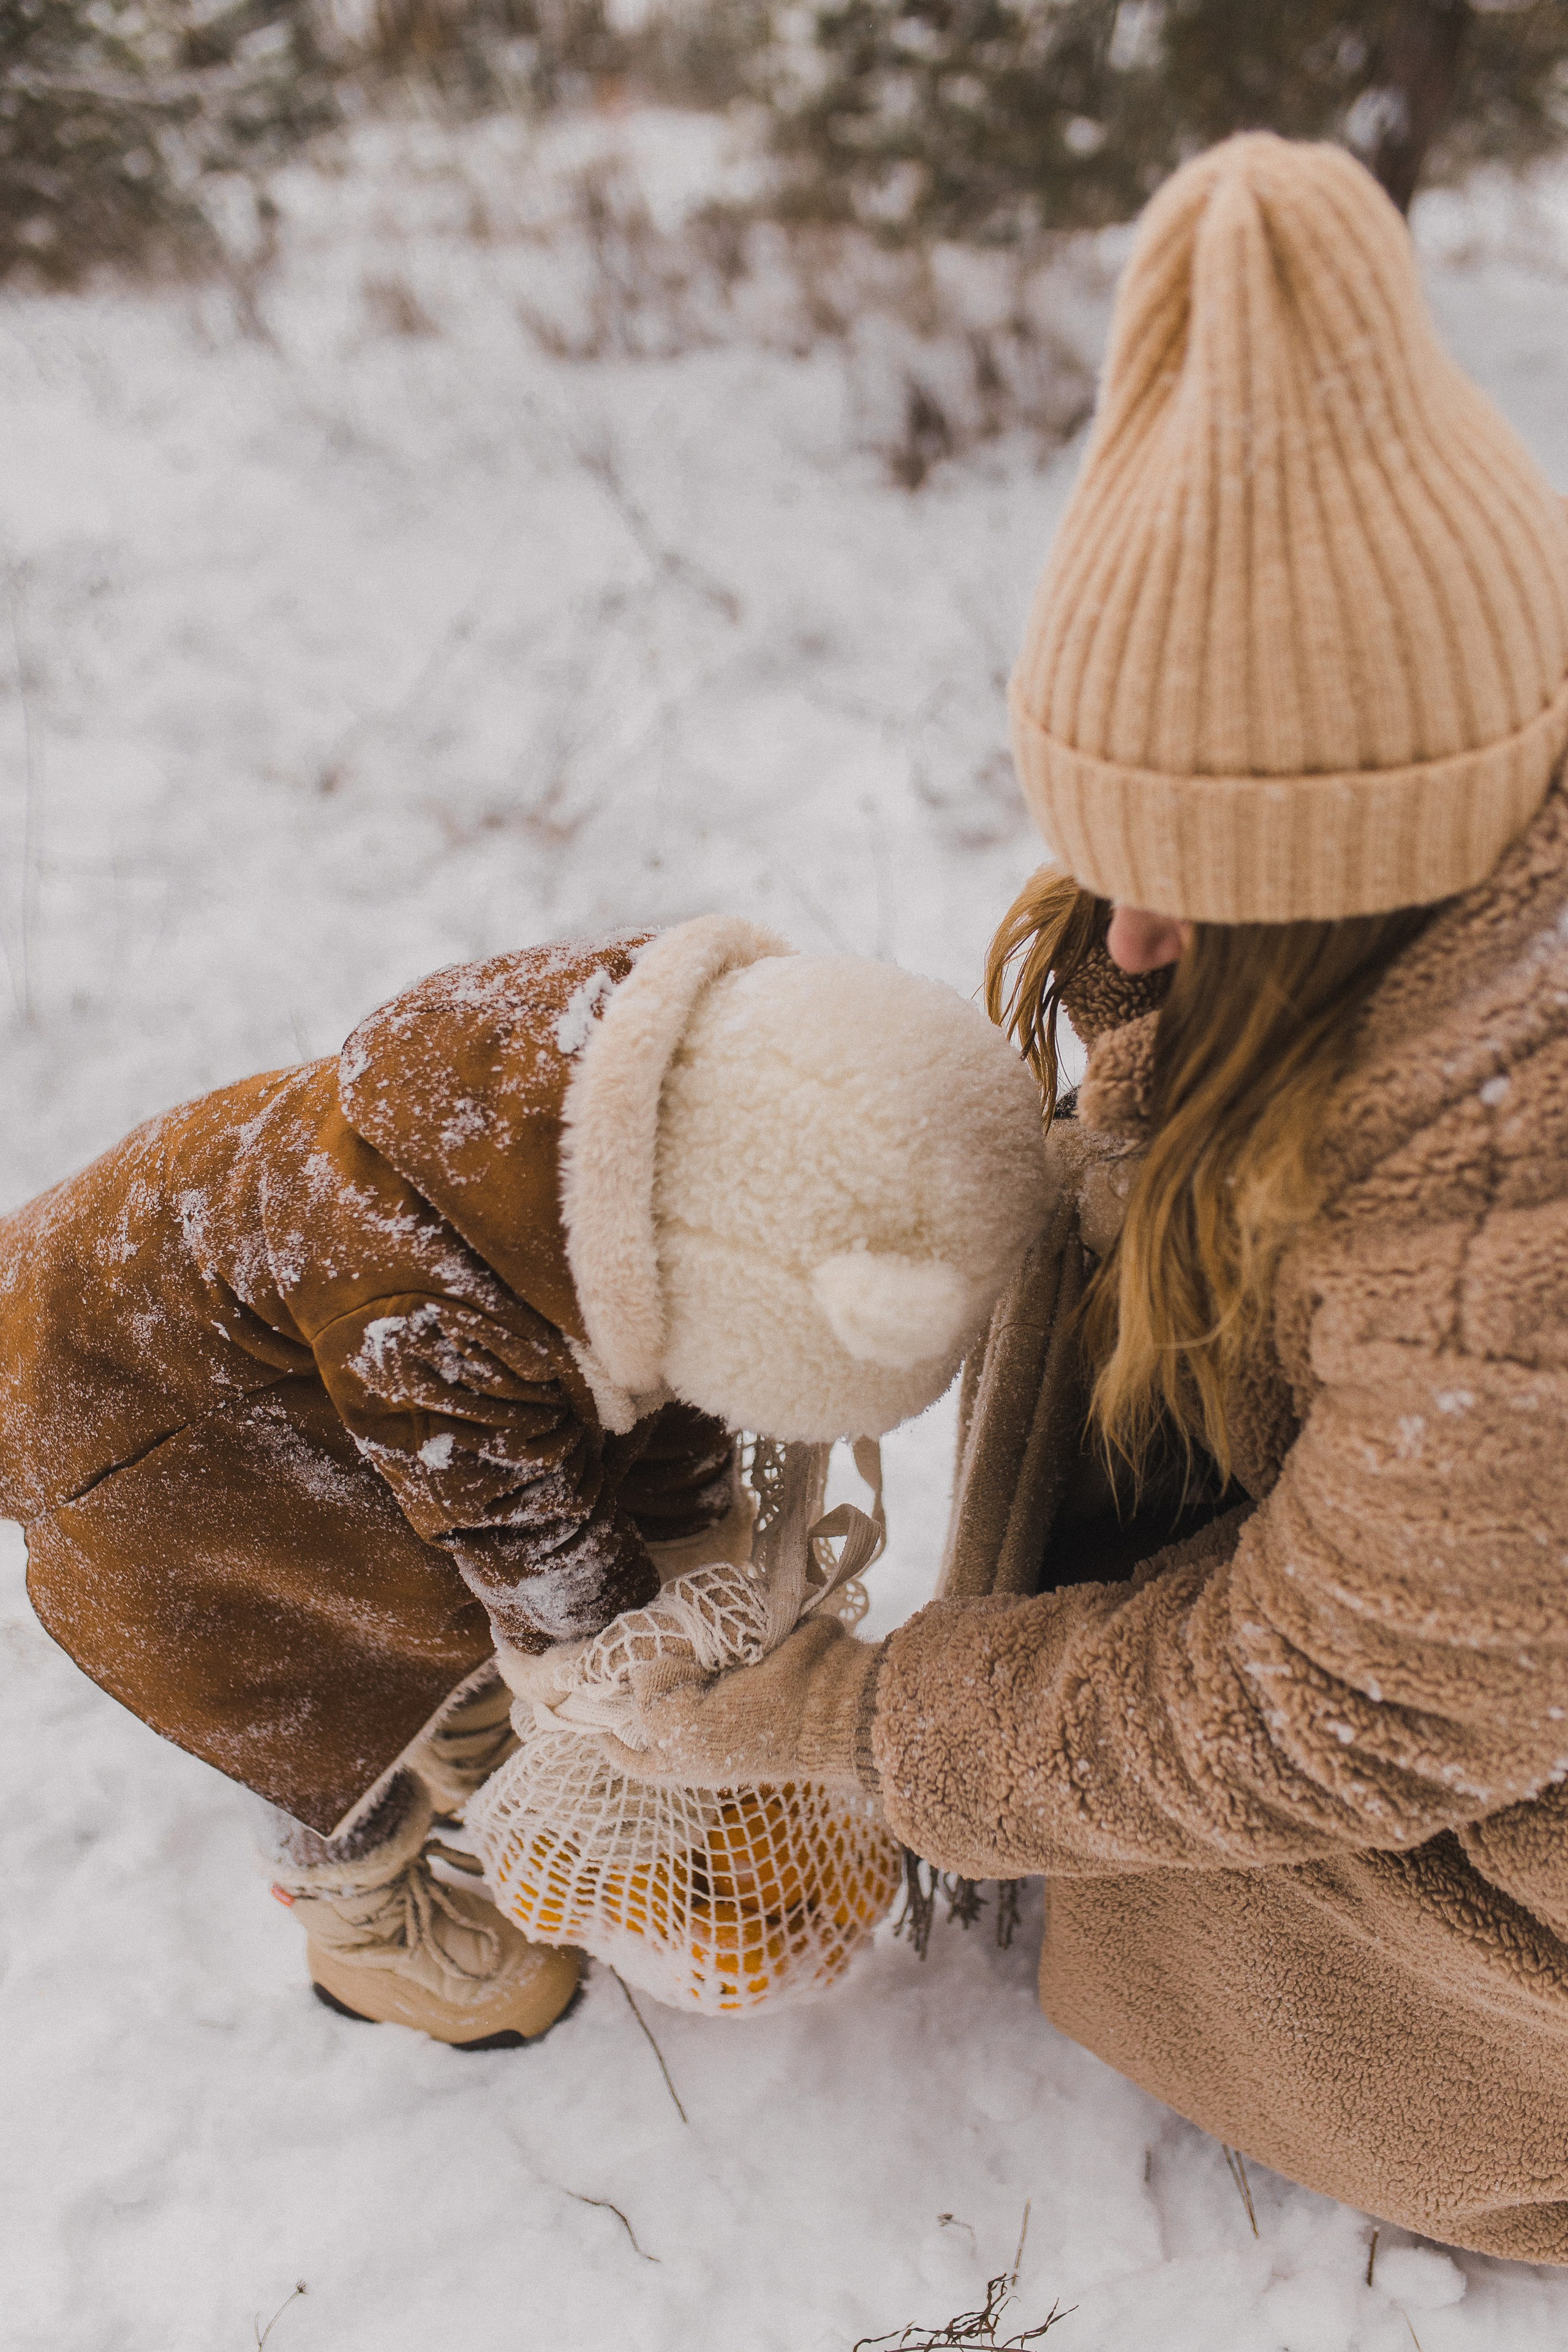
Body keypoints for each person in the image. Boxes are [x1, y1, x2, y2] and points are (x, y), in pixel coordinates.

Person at [594, 134, 1568, 2261]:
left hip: (1508, 1762)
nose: (1129, 938)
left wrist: (877, 1726)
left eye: (1206, 897)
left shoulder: (1525, 1224)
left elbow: (1351, 1708)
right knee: (1125, 1191)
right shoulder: (1480, 849)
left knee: (1213, 1862)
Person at [0, 914, 1047, 2047]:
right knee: (311, 1681)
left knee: (435, 1572)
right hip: (150, 1447)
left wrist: (695, 1541)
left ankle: (457, 1729)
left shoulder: (643, 1107)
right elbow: (534, 1549)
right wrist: (633, 1673)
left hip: (308, 1386)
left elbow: (673, 1377)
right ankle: (357, 1920)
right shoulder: (421, 1310)